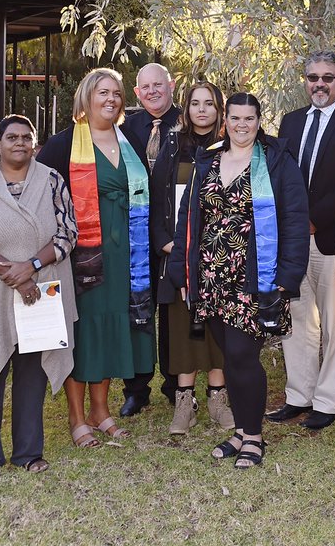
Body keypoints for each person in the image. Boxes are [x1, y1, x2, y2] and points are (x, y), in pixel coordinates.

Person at [170, 93, 309, 468]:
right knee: (229, 357)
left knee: (243, 356)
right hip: (211, 275)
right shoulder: (208, 159)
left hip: (255, 278)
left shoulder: (277, 162)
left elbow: (296, 220)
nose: (241, 125)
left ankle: (254, 437)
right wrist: (181, 269)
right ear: (225, 120)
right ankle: (242, 431)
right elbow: (188, 218)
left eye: (249, 118)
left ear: (259, 121)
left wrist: (287, 276)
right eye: (235, 118)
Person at [0, 115, 79, 477]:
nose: (19, 143)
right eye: (11, 137)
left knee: (32, 374)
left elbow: (68, 233)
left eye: (26, 137)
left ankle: (28, 453)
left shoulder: (51, 180)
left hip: (41, 288)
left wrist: (32, 266)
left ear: (35, 144)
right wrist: (14, 273)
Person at [37, 68, 154, 448]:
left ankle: (100, 412)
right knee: (84, 333)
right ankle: (76, 416)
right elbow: (41, 197)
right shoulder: (64, 144)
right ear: (86, 98)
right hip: (82, 257)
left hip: (125, 257)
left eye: (116, 93)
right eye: (103, 92)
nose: (111, 99)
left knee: (110, 329)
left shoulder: (130, 141)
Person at [270, 51, 335, 430]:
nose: (319, 84)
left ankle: (329, 402)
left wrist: (314, 219)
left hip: (333, 238)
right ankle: (299, 395)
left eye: (327, 77)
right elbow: (282, 175)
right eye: (313, 77)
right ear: (305, 80)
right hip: (293, 240)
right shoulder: (291, 121)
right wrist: (294, 222)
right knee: (297, 320)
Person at [149, 81, 235, 433]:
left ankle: (218, 399)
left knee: (218, 329)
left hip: (218, 255)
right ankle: (184, 403)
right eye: (195, 103)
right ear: (186, 108)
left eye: (209, 103)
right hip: (179, 255)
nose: (202, 109)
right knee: (182, 327)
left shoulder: (231, 147)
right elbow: (157, 200)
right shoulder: (172, 145)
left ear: (220, 109)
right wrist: (167, 243)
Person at [118, 62, 182, 416]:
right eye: (146, 87)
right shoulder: (126, 129)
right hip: (137, 237)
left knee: (172, 314)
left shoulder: (187, 122)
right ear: (137, 92)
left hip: (174, 235)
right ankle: (136, 388)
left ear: (171, 85)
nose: (153, 91)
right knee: (138, 312)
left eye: (159, 84)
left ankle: (175, 385)